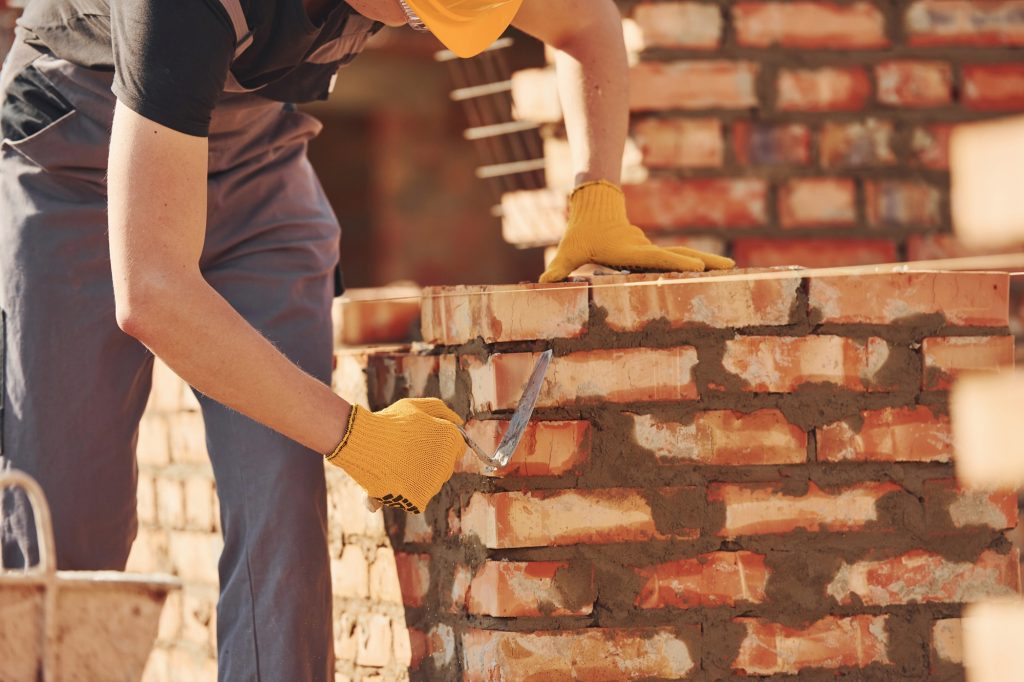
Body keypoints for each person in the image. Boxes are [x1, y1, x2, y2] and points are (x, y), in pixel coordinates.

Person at [0, 0, 733, 679]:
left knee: (281, 497)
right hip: (80, 151)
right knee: (65, 531)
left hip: (255, 159)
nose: (418, 22)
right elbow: (154, 292)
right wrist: (357, 437)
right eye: (413, 10)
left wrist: (596, 198)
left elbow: (588, 24)